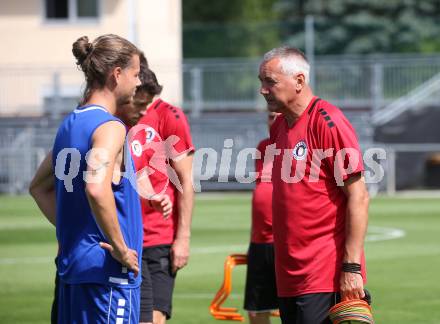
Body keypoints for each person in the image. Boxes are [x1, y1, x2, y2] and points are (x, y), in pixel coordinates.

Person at [29, 34, 163, 323]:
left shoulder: (71, 123)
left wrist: (76, 231)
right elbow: (96, 188)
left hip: (75, 269)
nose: (139, 82)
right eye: (136, 73)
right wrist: (120, 247)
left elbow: (38, 188)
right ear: (117, 74)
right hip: (107, 275)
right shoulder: (110, 127)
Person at [258, 46, 369, 324]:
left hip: (325, 274)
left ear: (299, 81)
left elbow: (359, 196)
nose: (263, 90)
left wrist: (351, 267)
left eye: (270, 82)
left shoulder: (328, 122)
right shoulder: (279, 126)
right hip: (289, 274)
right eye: (261, 81)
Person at [128, 67, 195, 324]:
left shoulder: (170, 116)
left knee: (153, 319)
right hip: (124, 235)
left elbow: (185, 182)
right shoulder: (115, 116)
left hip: (158, 236)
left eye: (148, 102)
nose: (143, 110)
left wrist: (183, 238)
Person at [243, 112, 279, 324]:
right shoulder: (263, 147)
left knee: (291, 306)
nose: (272, 121)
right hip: (260, 242)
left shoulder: (297, 149)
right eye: (270, 117)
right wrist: (252, 241)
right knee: (256, 310)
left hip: (285, 242)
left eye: (277, 117)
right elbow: (261, 194)